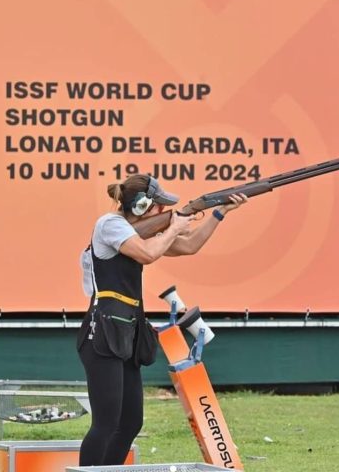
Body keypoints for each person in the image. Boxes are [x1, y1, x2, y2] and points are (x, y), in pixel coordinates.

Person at [76, 174, 247, 466]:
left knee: (130, 422)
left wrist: (219, 213)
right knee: (105, 423)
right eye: (158, 207)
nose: (162, 213)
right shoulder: (110, 224)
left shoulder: (134, 233)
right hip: (103, 333)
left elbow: (190, 245)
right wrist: (176, 224)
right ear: (142, 208)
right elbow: (147, 253)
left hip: (126, 331)